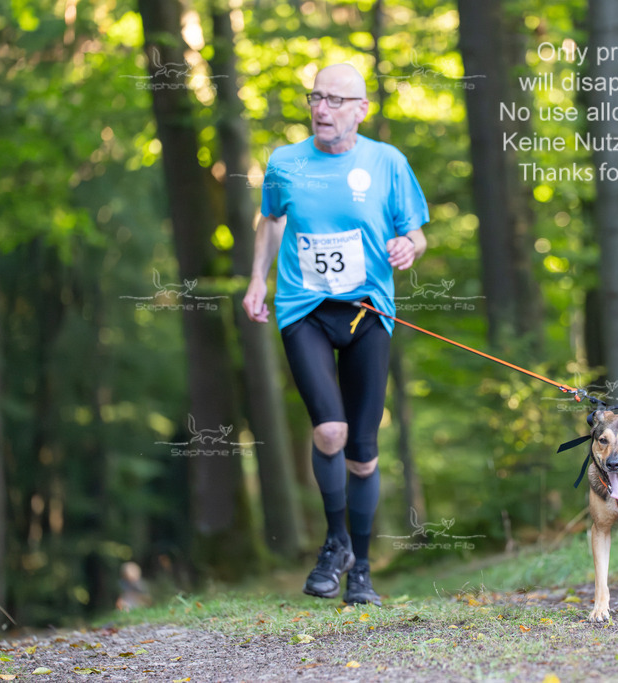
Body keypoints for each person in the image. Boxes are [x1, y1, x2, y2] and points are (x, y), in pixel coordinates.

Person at [242, 63, 428, 606]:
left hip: (369, 312)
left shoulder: (387, 162)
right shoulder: (285, 163)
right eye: (315, 98)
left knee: (364, 455)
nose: (321, 109)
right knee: (329, 431)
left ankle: (361, 569)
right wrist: (257, 278)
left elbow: (413, 231)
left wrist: (409, 247)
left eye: (334, 100)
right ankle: (336, 541)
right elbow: (271, 221)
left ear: (360, 108)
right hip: (304, 309)